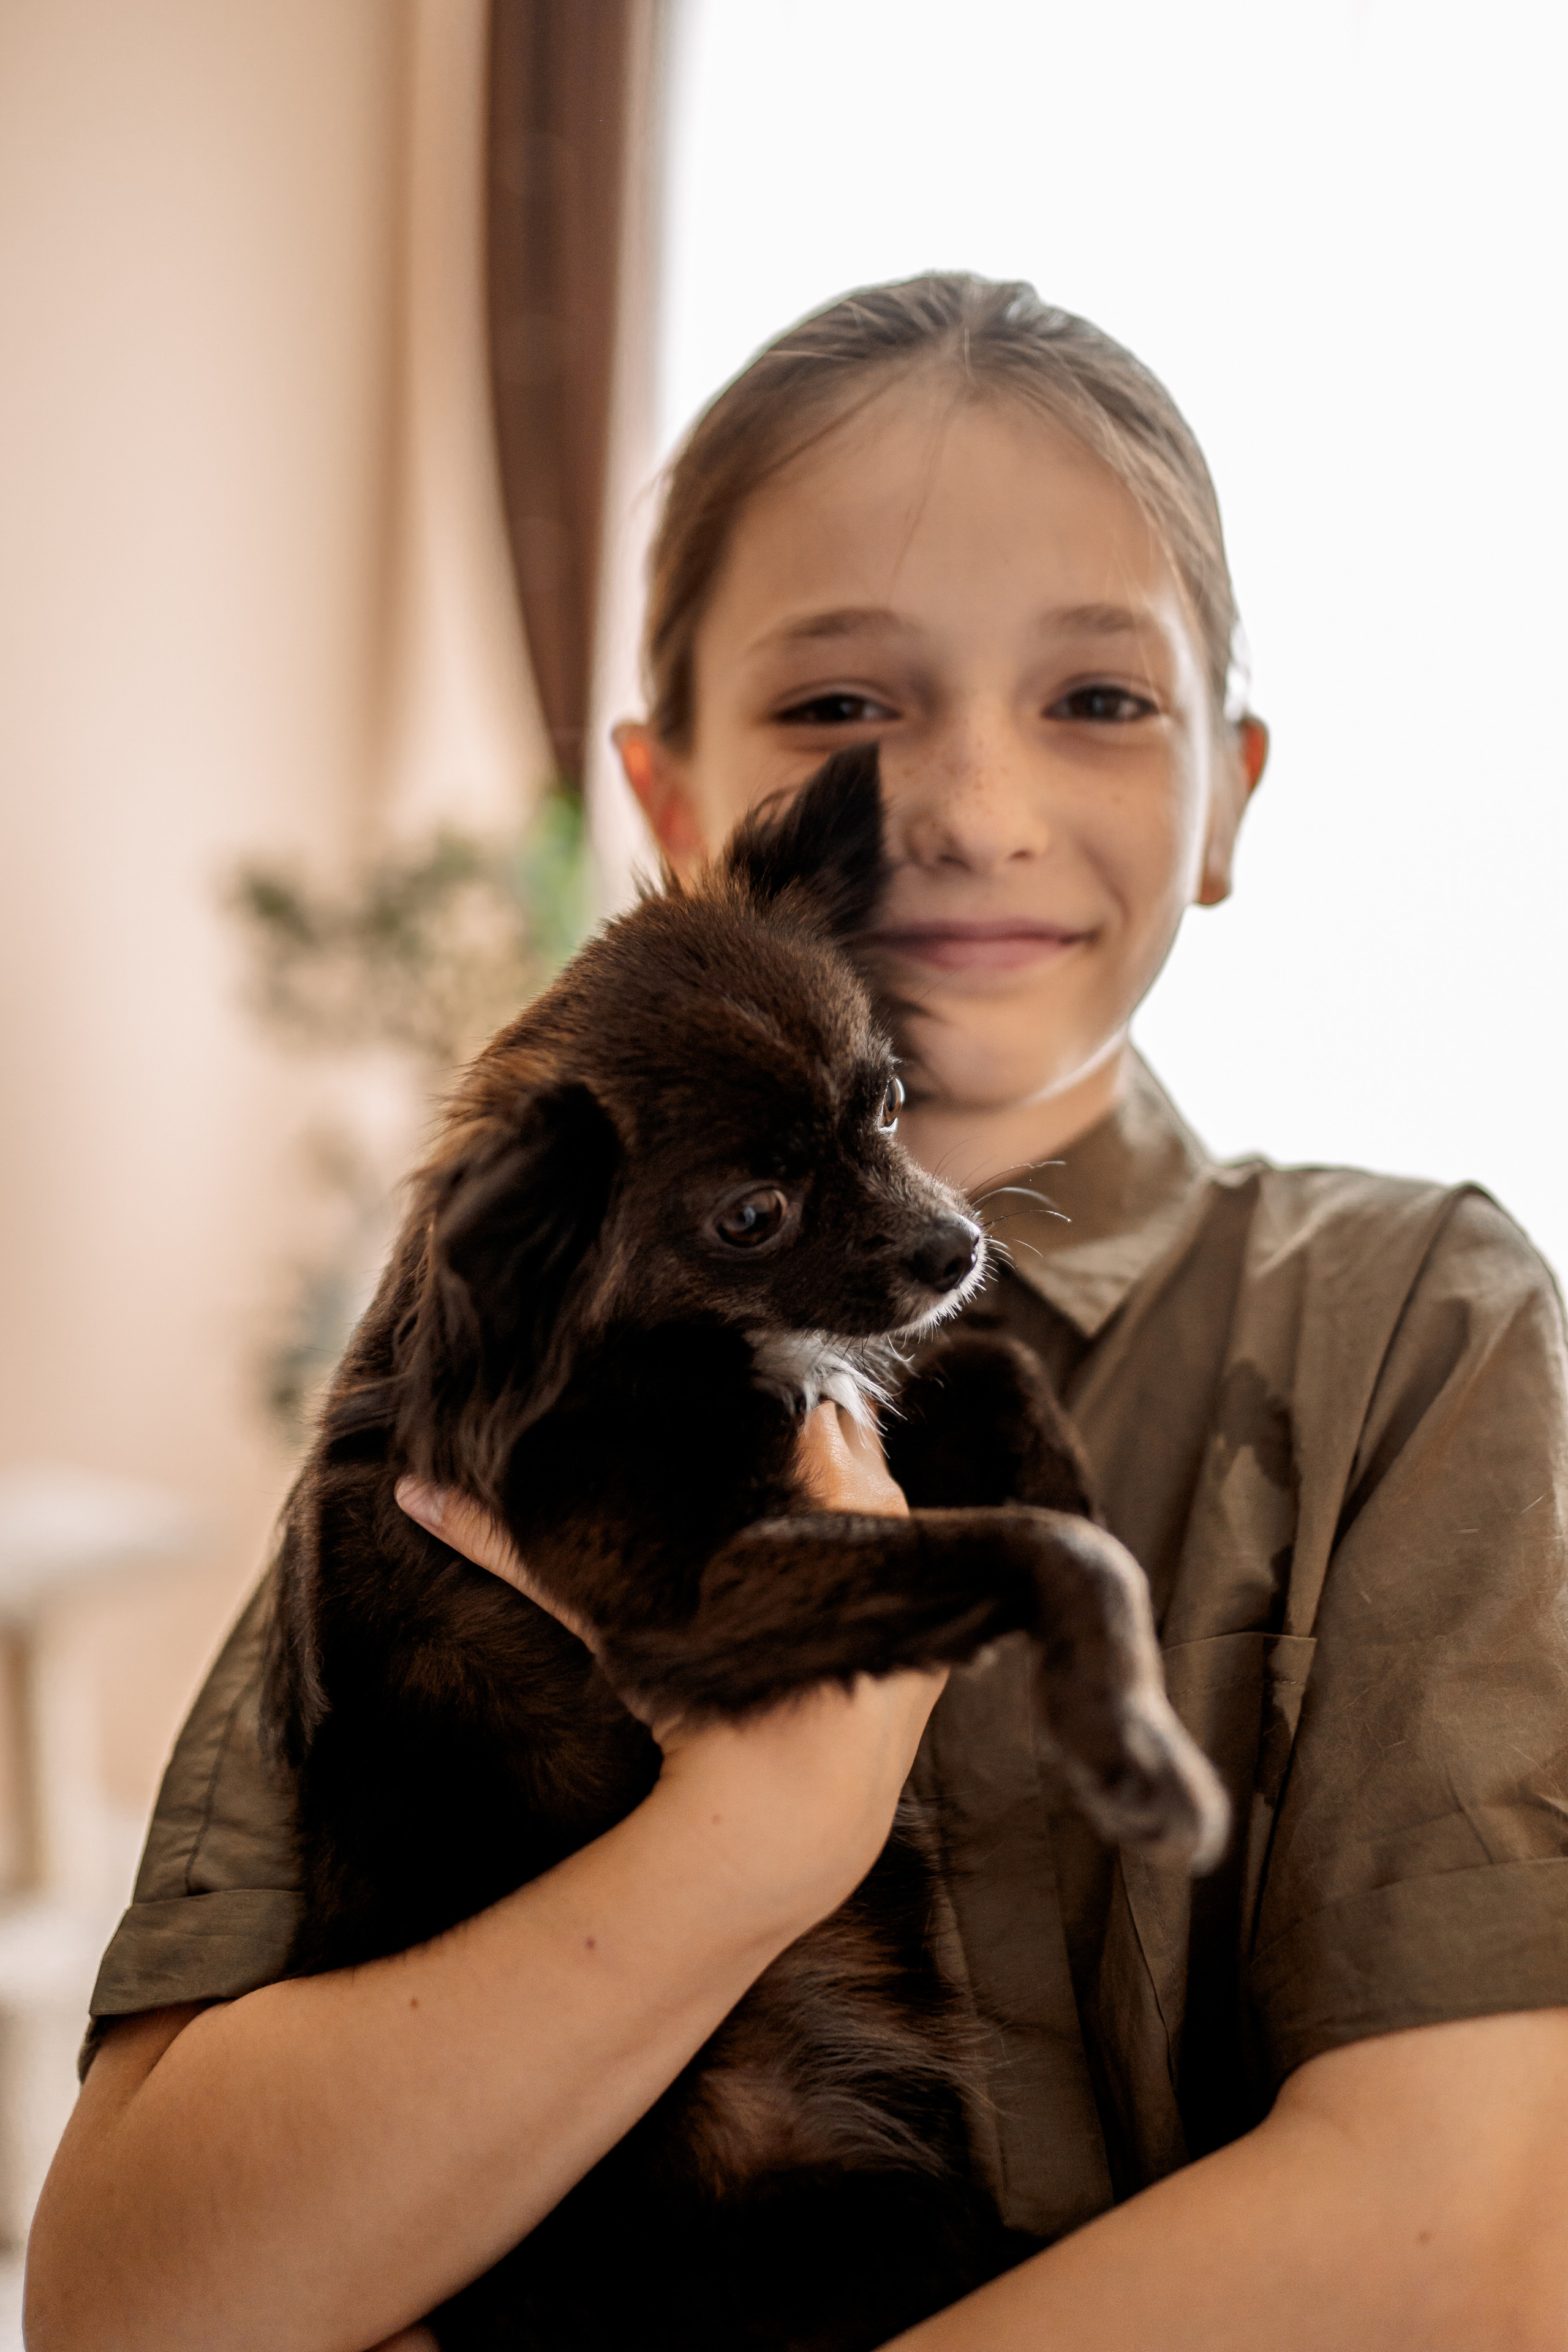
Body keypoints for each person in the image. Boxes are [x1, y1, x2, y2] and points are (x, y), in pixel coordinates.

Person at [26, 276, 1568, 2352]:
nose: (965, 808)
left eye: (1099, 701)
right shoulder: (477, 1384)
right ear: (682, 809)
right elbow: (140, 2301)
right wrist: (757, 1841)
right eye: (844, 709)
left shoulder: (1416, 1332)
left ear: (1230, 793)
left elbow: (1468, 2232)